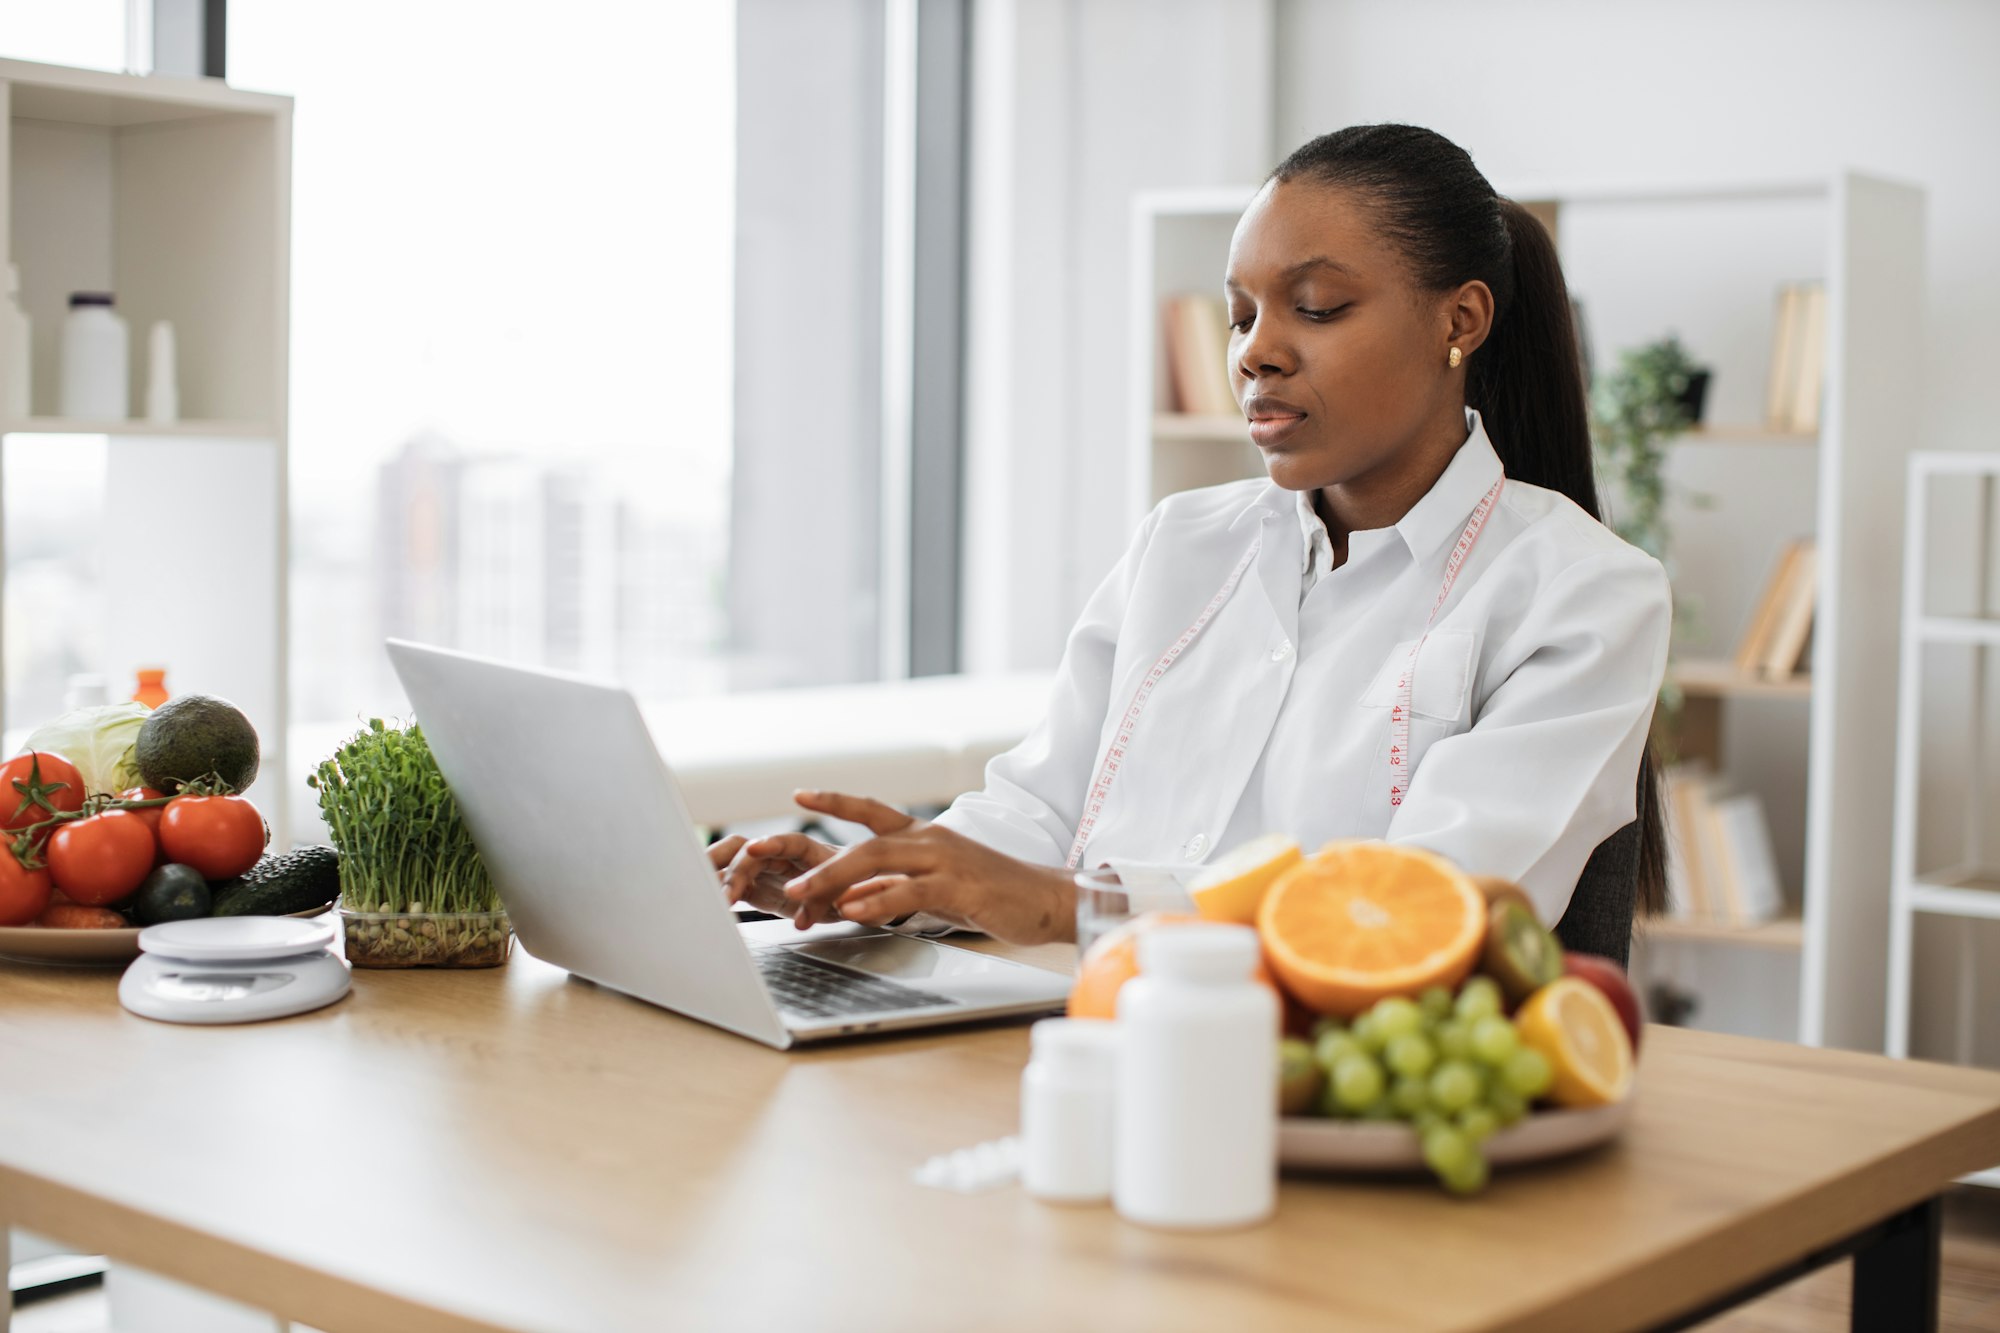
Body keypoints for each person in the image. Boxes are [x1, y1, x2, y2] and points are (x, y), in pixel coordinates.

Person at [710, 124, 1672, 947]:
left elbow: (1415, 910)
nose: (1254, 351)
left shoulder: (1584, 592)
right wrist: (876, 882)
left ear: (1459, 320)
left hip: (1320, 1097)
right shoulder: (1182, 542)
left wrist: (1070, 908)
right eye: (1242, 315)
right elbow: (1043, 809)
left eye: (1317, 307)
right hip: (1074, 1036)